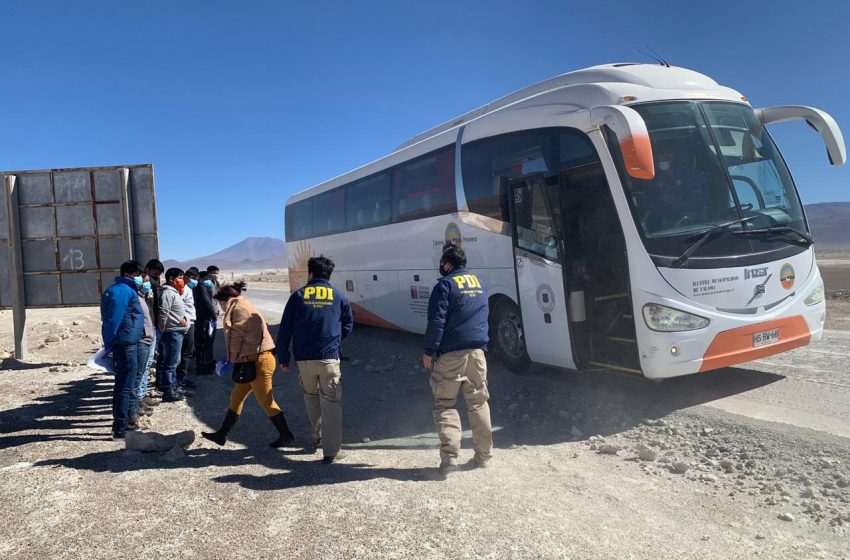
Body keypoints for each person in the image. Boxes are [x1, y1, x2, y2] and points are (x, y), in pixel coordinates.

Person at [423, 243, 492, 475]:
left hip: (451, 354)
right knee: (478, 403)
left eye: (443, 263)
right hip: (478, 354)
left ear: (449, 264)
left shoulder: (444, 285)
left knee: (445, 405)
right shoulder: (480, 283)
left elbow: (437, 322)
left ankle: (450, 460)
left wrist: (429, 351)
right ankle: (483, 457)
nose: (441, 267)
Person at [276, 255, 353, 464]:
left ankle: (318, 438)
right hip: (328, 358)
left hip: (304, 359)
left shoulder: (298, 296)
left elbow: (285, 330)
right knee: (331, 402)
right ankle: (331, 452)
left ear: (310, 273)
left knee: (311, 397)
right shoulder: (338, 296)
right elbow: (347, 325)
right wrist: (335, 343)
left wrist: (283, 356)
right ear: (329, 274)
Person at [202, 281, 294, 448]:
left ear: (225, 299)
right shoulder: (242, 305)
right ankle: (222, 435)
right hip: (251, 361)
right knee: (236, 397)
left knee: (266, 401)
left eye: (219, 302)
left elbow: (236, 336)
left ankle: (286, 435)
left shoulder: (238, 309)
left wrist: (230, 359)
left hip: (259, 361)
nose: (220, 307)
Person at [100, 260, 145, 439]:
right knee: (124, 386)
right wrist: (109, 343)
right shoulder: (122, 290)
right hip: (125, 343)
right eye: (141, 275)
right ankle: (120, 427)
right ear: (133, 273)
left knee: (125, 385)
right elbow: (112, 319)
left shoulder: (126, 289)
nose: (143, 278)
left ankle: (122, 424)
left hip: (128, 341)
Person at [156, 267, 189, 402]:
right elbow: (163, 311)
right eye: (180, 278)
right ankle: (169, 390)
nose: (182, 281)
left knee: (174, 361)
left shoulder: (174, 292)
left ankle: (173, 386)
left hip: (177, 331)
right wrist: (163, 327)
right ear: (171, 279)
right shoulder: (168, 293)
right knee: (171, 363)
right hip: (172, 332)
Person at [129, 273, 156, 426]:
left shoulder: (142, 296)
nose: (147, 283)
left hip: (147, 337)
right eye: (144, 280)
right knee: (137, 375)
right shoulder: (133, 297)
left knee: (144, 370)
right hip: (140, 340)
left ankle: (140, 400)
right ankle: (134, 408)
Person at [176, 267, 198, 389]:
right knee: (185, 352)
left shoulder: (187, 288)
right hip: (186, 323)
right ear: (186, 276)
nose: (194, 281)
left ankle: (180, 377)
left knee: (186, 352)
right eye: (193, 278)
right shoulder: (182, 289)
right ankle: (180, 378)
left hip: (189, 321)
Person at [193, 270, 217, 375]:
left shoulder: (201, 286)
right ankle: (202, 366)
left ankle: (204, 364)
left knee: (203, 343)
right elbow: (207, 303)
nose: (209, 281)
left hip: (202, 318)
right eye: (207, 279)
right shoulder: (201, 287)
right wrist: (214, 316)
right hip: (203, 319)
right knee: (203, 343)